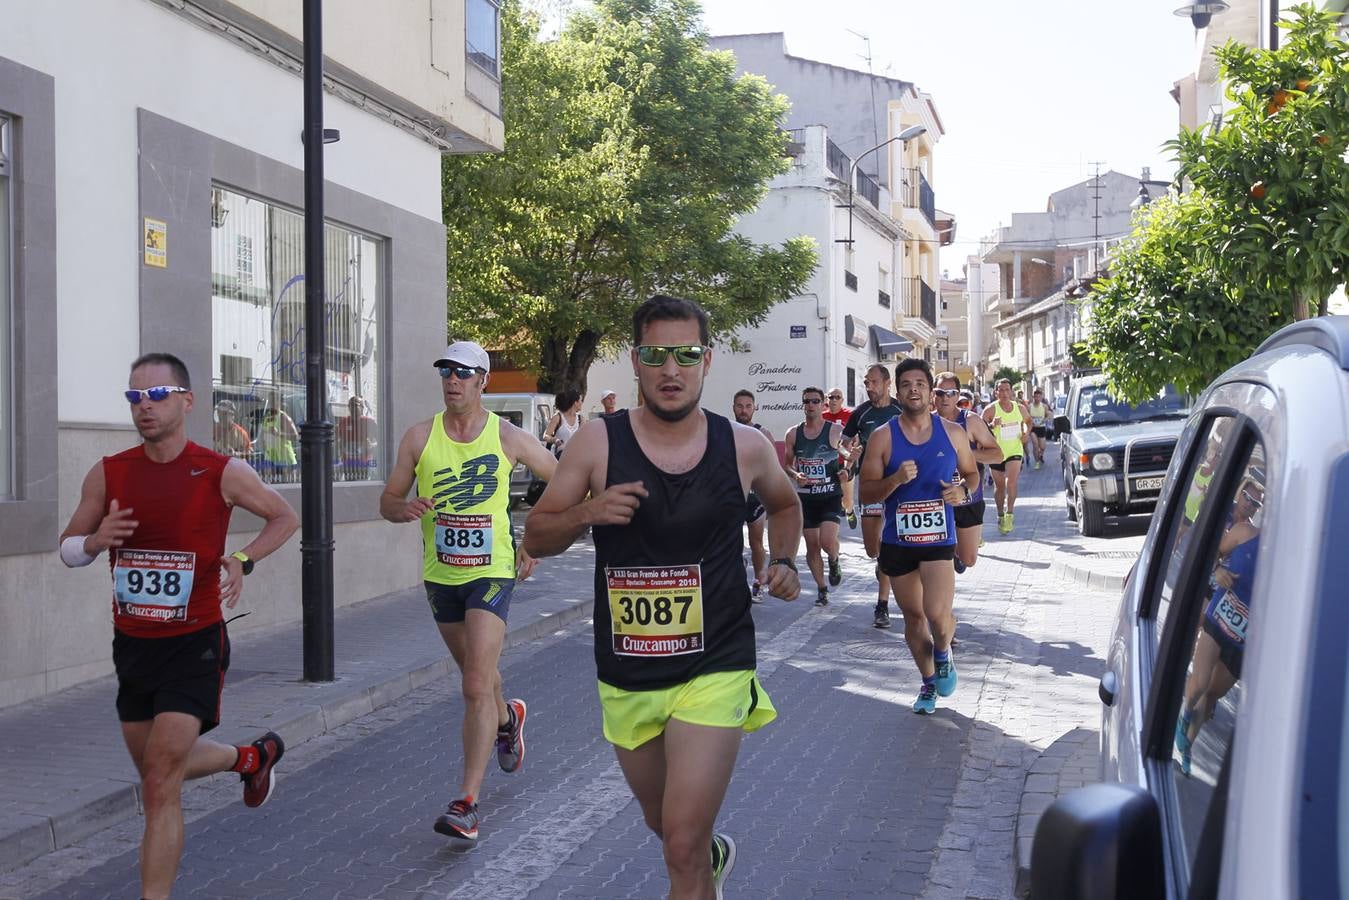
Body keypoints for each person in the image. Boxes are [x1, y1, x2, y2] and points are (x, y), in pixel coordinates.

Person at [525, 295, 802, 900]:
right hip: (629, 670)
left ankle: (699, 859)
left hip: (717, 663)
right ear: (635, 361)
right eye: (656, 355)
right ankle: (710, 858)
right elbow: (537, 533)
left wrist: (783, 561)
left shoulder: (744, 445)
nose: (671, 370)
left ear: (706, 360)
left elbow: (785, 504)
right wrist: (590, 511)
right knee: (669, 829)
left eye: (685, 354)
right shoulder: (598, 442)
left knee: (680, 842)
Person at [58, 352, 299, 900]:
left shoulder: (219, 471)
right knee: (156, 770)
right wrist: (96, 542)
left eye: (157, 395)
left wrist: (244, 559)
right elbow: (69, 549)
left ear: (187, 401)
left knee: (162, 779)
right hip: (133, 646)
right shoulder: (109, 471)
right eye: (135, 397)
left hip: (195, 643)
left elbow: (284, 515)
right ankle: (250, 758)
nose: (144, 406)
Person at [379, 340, 558, 843]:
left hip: (492, 572)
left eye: (462, 373)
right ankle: (508, 719)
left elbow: (566, 482)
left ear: (483, 382)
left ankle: (467, 804)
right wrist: (404, 508)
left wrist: (536, 537)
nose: (452, 381)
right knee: (478, 678)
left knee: (475, 684)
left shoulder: (509, 437)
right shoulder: (419, 437)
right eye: (446, 372)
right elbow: (388, 501)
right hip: (442, 575)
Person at [860, 358, 979, 715]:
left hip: (938, 538)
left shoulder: (953, 432)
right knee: (914, 619)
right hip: (898, 542)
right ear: (898, 391)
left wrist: (963, 493)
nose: (914, 389)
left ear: (931, 393)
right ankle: (928, 682)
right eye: (907, 384)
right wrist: (894, 480)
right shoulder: (883, 437)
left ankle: (943, 654)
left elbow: (972, 475)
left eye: (920, 384)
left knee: (938, 615)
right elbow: (866, 493)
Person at [1175, 470, 1263, 776]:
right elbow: (1212, 553)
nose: (1251, 506)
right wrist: (1218, 573)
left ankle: (1186, 746)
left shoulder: (1292, 560)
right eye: (1248, 499)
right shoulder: (1243, 532)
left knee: (1211, 696)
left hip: (1245, 643)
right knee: (1199, 682)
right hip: (1219, 617)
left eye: (1256, 503)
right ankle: (1183, 715)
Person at [841, 364, 903, 628]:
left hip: (899, 486)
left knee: (888, 545)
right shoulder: (861, 412)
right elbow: (842, 444)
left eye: (874, 382)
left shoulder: (900, 410)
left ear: (887, 383)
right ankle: (882, 565)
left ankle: (882, 605)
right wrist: (849, 455)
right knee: (871, 549)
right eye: (866, 383)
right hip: (871, 486)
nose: (869, 387)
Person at [782, 387, 849, 606]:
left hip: (829, 494)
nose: (811, 405)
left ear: (823, 405)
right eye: (807, 401)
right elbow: (787, 465)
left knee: (827, 541)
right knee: (812, 545)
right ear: (803, 405)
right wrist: (796, 475)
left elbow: (847, 454)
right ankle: (822, 588)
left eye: (815, 401)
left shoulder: (835, 430)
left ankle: (834, 559)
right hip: (806, 498)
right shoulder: (793, 433)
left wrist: (847, 468)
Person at [934, 373, 1002, 573]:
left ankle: (956, 551)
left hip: (969, 496)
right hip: (937, 498)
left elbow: (997, 454)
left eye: (950, 393)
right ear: (932, 395)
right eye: (940, 392)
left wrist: (966, 453)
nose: (945, 397)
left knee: (969, 559)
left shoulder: (970, 421)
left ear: (957, 396)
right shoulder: (925, 422)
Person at [732, 389, 775, 602]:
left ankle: (759, 583)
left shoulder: (762, 433)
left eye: (748, 406)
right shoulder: (727, 432)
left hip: (756, 498)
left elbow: (771, 467)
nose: (744, 410)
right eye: (740, 406)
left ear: (754, 408)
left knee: (756, 542)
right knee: (732, 542)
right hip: (734, 497)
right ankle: (736, 578)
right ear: (733, 408)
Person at [982, 379, 1031, 534]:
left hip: (1014, 451)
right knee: (1000, 487)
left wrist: (1026, 433)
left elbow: (1028, 422)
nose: (1004, 393)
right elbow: (979, 429)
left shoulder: (1020, 408)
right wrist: (991, 425)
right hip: (996, 453)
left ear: (1011, 392)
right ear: (996, 392)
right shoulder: (990, 410)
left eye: (1006, 390)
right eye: (1000, 390)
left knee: (1011, 482)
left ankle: (1009, 513)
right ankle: (1000, 514)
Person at [822, 388, 857, 528]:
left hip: (846, 462)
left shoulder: (850, 415)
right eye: (831, 397)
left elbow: (856, 439)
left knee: (847, 499)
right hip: (827, 464)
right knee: (829, 499)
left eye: (837, 397)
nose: (834, 400)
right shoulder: (821, 417)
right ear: (827, 400)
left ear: (842, 400)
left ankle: (849, 511)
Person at [335, 394, 378, 481]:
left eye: (356, 405)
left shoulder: (369, 422)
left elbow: (381, 441)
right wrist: (339, 446)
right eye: (351, 405)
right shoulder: (343, 422)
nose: (353, 408)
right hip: (348, 464)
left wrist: (372, 445)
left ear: (362, 407)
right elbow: (336, 440)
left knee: (364, 486)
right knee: (350, 485)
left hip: (364, 463)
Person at [258, 401, 299, 484]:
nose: (272, 404)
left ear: (279, 403)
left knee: (288, 488)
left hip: (285, 459)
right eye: (270, 401)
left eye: (274, 401)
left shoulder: (283, 417)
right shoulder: (267, 417)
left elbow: (296, 436)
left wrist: (279, 433)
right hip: (270, 458)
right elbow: (263, 436)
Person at [544, 389, 585, 456]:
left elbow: (584, 439)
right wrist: (555, 440)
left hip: (576, 457)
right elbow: (546, 436)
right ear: (575, 402)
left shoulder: (581, 419)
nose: (582, 403)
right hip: (559, 458)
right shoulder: (558, 417)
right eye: (581, 400)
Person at [1026, 388, 1050, 469]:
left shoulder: (1044, 406)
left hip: (1041, 428)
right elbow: (1026, 417)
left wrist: (1044, 420)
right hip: (1033, 428)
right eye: (1036, 397)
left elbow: (1048, 416)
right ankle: (1037, 462)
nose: (1037, 399)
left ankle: (1040, 455)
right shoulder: (1029, 407)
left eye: (1039, 397)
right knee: (1035, 445)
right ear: (1033, 397)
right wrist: (1030, 422)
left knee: (1042, 447)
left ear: (1041, 397)